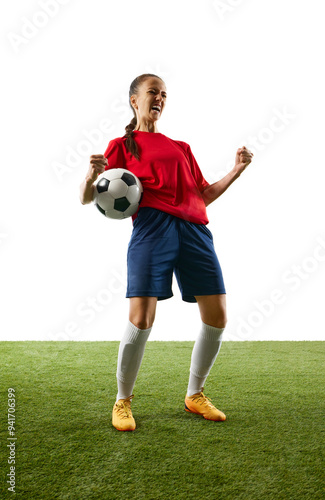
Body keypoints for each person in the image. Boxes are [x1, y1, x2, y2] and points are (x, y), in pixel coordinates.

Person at [79, 73, 253, 431]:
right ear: (134, 99)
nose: (159, 98)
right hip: (152, 230)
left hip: (195, 231)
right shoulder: (120, 147)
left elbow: (202, 194)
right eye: (152, 92)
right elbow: (89, 199)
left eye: (163, 94)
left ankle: (195, 394)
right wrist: (90, 176)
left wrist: (236, 171)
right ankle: (122, 401)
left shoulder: (181, 147)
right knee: (141, 318)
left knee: (217, 316)